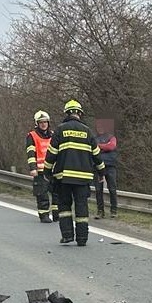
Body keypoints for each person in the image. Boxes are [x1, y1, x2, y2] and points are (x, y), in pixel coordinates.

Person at [44, 98, 104, 247]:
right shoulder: (87, 131)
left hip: (63, 177)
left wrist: (47, 172)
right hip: (83, 178)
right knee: (81, 207)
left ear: (67, 113)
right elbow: (96, 155)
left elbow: (51, 154)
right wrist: (101, 172)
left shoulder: (60, 130)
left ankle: (67, 236)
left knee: (64, 206)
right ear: (80, 114)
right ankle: (82, 239)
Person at [24, 110, 54, 223]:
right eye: (41, 122)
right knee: (42, 194)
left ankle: (57, 215)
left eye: (45, 122)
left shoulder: (53, 135)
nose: (43, 124)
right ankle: (44, 215)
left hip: (53, 169)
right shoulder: (32, 136)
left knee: (57, 194)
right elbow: (31, 153)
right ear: (37, 123)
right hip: (40, 171)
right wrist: (33, 168)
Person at [94, 128, 118, 218]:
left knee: (112, 188)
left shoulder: (111, 137)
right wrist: (104, 147)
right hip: (97, 166)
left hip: (110, 166)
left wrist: (99, 146)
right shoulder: (94, 138)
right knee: (98, 190)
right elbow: (92, 149)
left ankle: (113, 210)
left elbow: (111, 146)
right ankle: (100, 211)